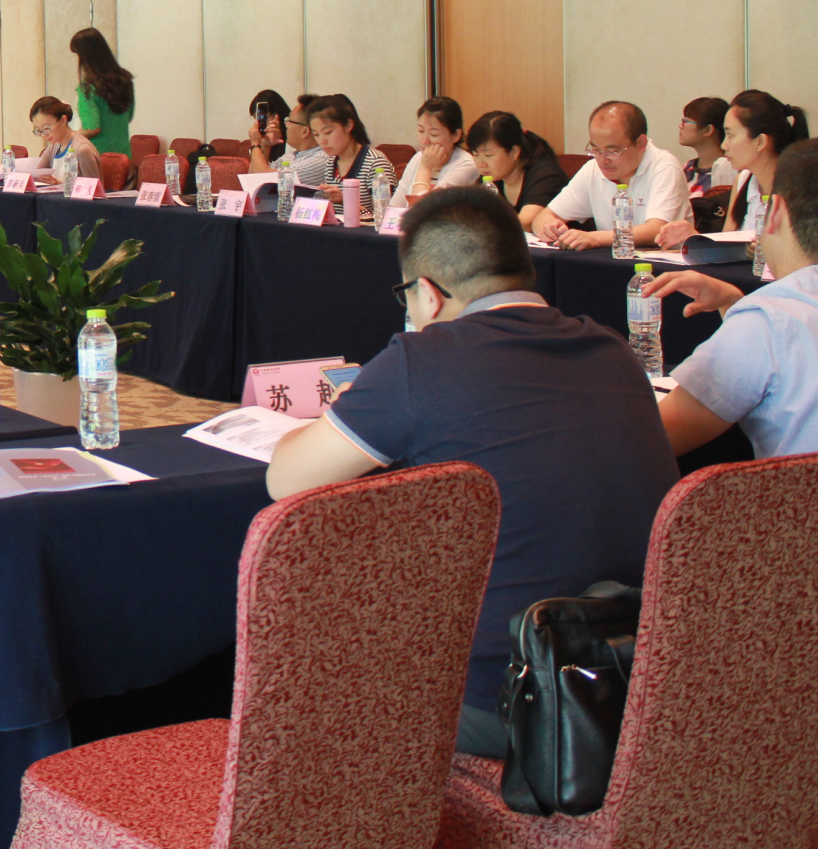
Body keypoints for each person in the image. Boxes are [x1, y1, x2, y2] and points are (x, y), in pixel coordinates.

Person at [265, 186, 676, 757]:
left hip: (509, 697)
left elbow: (287, 481)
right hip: (638, 678)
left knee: (319, 670)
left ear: (429, 294)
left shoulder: (421, 360)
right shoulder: (614, 350)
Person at [648, 137, 818, 458]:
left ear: (775, 212)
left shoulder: (769, 321)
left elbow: (650, 440)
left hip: (802, 492)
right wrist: (732, 303)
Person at [656, 89, 809, 249]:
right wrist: (692, 236)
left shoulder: (799, 189)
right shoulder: (743, 180)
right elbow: (727, 249)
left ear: (760, 142)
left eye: (730, 135)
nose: (724, 145)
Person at [528, 102, 690, 251]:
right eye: (596, 150)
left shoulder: (664, 166)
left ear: (641, 143)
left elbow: (656, 230)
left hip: (665, 265)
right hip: (615, 260)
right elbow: (542, 218)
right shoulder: (592, 169)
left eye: (613, 151)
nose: (602, 160)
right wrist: (550, 228)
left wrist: (595, 238)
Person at [295, 94, 394, 219]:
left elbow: (385, 217)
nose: (322, 141)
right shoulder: (331, 162)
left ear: (348, 125)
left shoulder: (375, 163)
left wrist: (346, 201)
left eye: (328, 132)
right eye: (316, 135)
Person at [465, 110, 569, 227]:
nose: (481, 164)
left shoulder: (546, 175)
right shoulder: (489, 179)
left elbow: (526, 222)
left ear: (514, 152)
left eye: (488, 155)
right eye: (475, 154)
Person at [390, 96, 482, 210]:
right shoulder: (418, 158)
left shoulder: (467, 165)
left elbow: (423, 211)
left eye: (434, 134)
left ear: (456, 135)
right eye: (421, 131)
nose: (424, 141)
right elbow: (394, 206)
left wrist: (425, 167)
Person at [69, 28, 135, 157]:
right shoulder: (125, 81)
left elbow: (92, 128)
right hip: (123, 156)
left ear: (85, 56)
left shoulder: (88, 87)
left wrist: (68, 137)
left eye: (76, 55)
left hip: (97, 155)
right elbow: (129, 116)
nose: (76, 60)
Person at [245, 91, 324, 177]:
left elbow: (264, 176)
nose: (286, 124)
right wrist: (265, 145)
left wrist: (255, 144)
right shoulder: (291, 155)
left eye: (289, 121)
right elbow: (252, 177)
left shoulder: (319, 159)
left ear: (305, 131)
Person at [28, 95, 101, 185]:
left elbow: (93, 189)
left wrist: (58, 185)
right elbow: (38, 178)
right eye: (38, 130)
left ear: (63, 120)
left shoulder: (82, 149)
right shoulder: (53, 148)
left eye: (46, 128)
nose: (43, 135)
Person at [676, 96, 732, 193]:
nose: (680, 126)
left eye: (686, 121)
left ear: (708, 130)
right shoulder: (683, 170)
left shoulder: (730, 172)